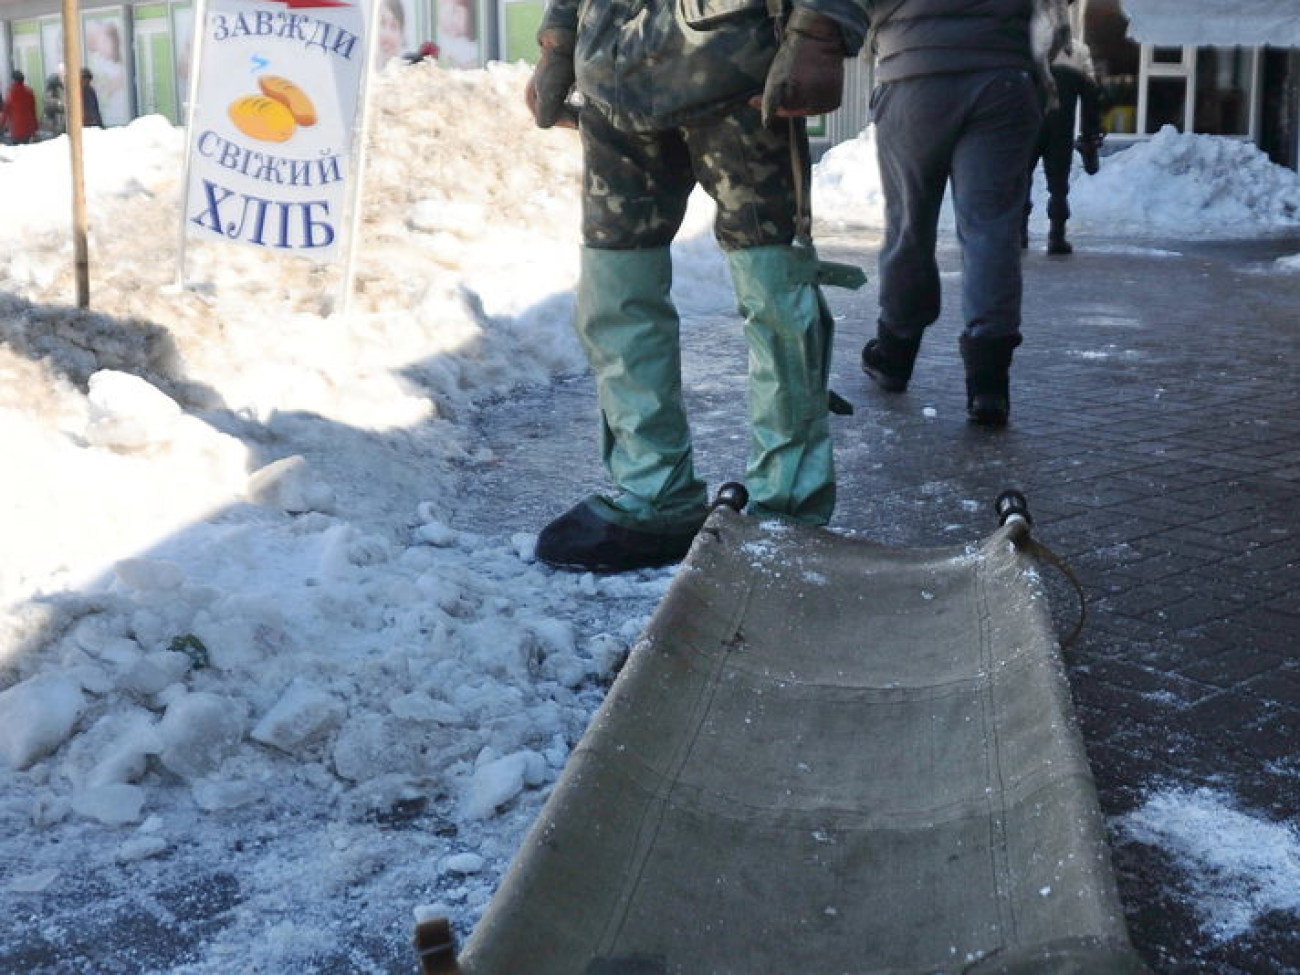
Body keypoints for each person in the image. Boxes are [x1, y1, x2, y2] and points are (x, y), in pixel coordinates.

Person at [525, 0, 867, 572]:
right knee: (614, 287)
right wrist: (559, 38)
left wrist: (819, 29)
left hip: (735, 71)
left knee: (775, 290)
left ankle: (787, 507)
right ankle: (653, 494)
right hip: (612, 75)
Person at [858, 0, 1059, 427]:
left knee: (909, 225)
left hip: (912, 71)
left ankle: (895, 352)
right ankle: (988, 383)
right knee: (992, 229)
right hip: (1002, 73)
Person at [1024, 40, 1104, 255]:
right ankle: (1057, 235)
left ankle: (1018, 233)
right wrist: (1090, 134)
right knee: (1058, 183)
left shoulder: (1027, 48)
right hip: (1061, 126)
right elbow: (1091, 95)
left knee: (1021, 178)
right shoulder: (1078, 54)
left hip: (1030, 124)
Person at [1, 70, 39, 145]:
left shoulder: (11, 93)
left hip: (16, 129)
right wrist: (35, 128)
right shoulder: (29, 92)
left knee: (16, 151)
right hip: (28, 128)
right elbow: (33, 111)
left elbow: (6, 112)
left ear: (13, 80)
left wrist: (1, 125)